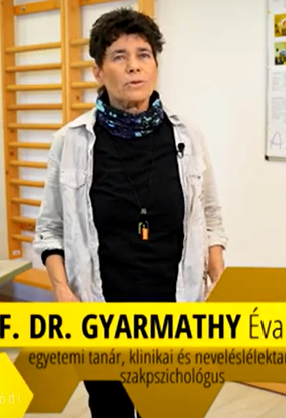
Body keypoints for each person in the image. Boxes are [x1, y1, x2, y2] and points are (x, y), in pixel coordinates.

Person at [32, 8, 228, 417]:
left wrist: (219, 279)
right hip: (101, 311)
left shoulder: (188, 136)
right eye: (119, 56)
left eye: (143, 55)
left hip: (176, 309)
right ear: (98, 72)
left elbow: (209, 215)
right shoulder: (71, 142)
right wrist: (62, 292)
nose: (134, 66)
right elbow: (50, 229)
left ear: (156, 65)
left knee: (171, 410)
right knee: (110, 409)